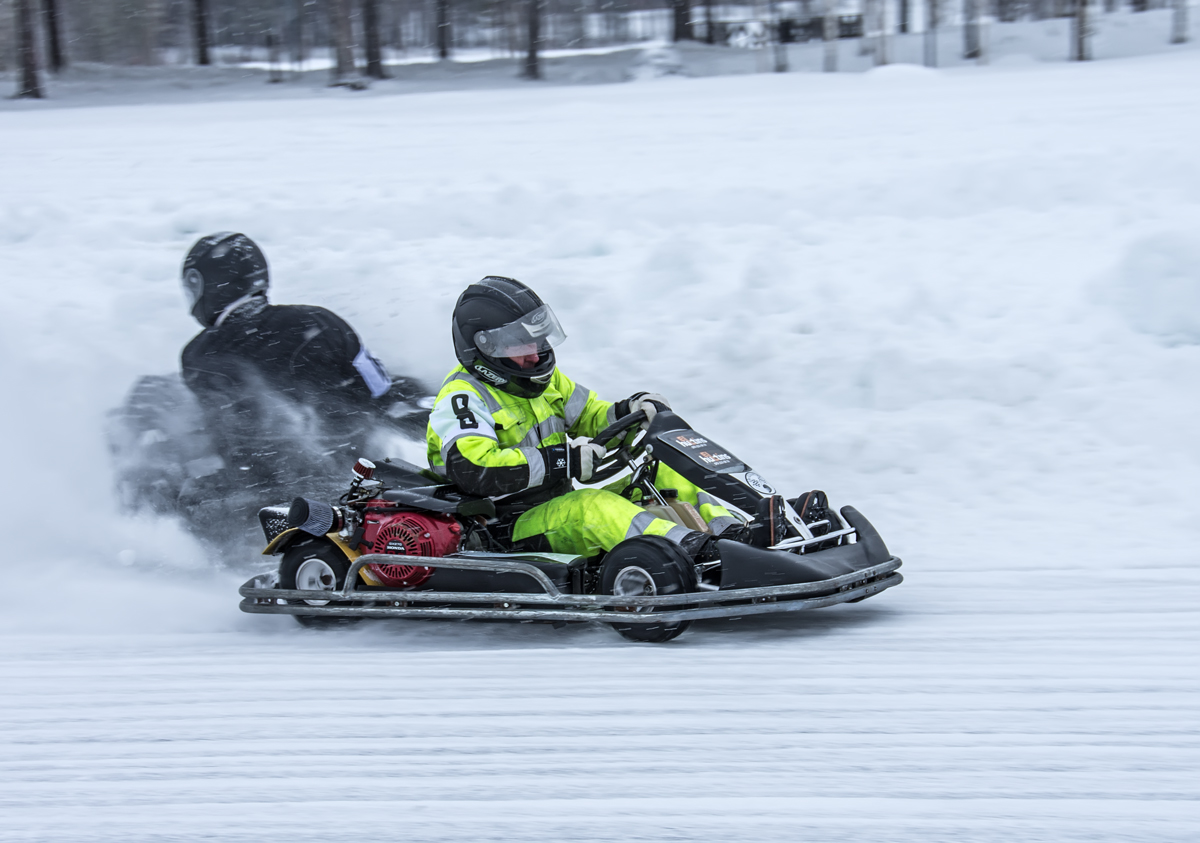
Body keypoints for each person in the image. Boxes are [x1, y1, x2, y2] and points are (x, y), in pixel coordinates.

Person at [425, 275, 746, 561]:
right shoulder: (462, 398)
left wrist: (631, 410)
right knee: (592, 509)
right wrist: (563, 460)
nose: (536, 355)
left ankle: (738, 539)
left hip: (554, 507)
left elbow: (591, 414)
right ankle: (701, 553)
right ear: (486, 348)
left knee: (669, 474)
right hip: (503, 528)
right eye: (520, 345)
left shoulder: (541, 382)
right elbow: (474, 468)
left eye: (536, 340)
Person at [179, 231, 422, 487]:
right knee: (408, 387)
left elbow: (215, 425)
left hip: (254, 485)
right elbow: (378, 388)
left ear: (211, 283)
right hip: (347, 472)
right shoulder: (316, 320)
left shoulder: (197, 354)